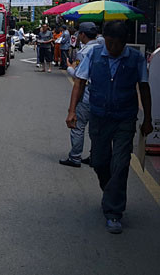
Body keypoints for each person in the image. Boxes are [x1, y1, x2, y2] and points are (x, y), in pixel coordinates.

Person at [66, 21, 153, 234]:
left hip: (125, 118)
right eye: (109, 43)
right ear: (104, 39)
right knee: (99, 161)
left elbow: (144, 88)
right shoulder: (94, 55)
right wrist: (72, 111)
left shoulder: (136, 59)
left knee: (121, 163)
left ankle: (114, 212)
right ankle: (110, 190)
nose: (113, 48)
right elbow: (79, 82)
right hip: (99, 116)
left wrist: (148, 119)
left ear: (125, 42)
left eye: (118, 44)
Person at [59, 22, 101, 168]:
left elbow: (79, 78)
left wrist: (70, 68)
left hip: (87, 93)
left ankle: (75, 157)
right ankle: (95, 156)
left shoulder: (84, 52)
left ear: (82, 34)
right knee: (96, 129)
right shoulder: (102, 49)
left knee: (78, 126)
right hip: (101, 95)